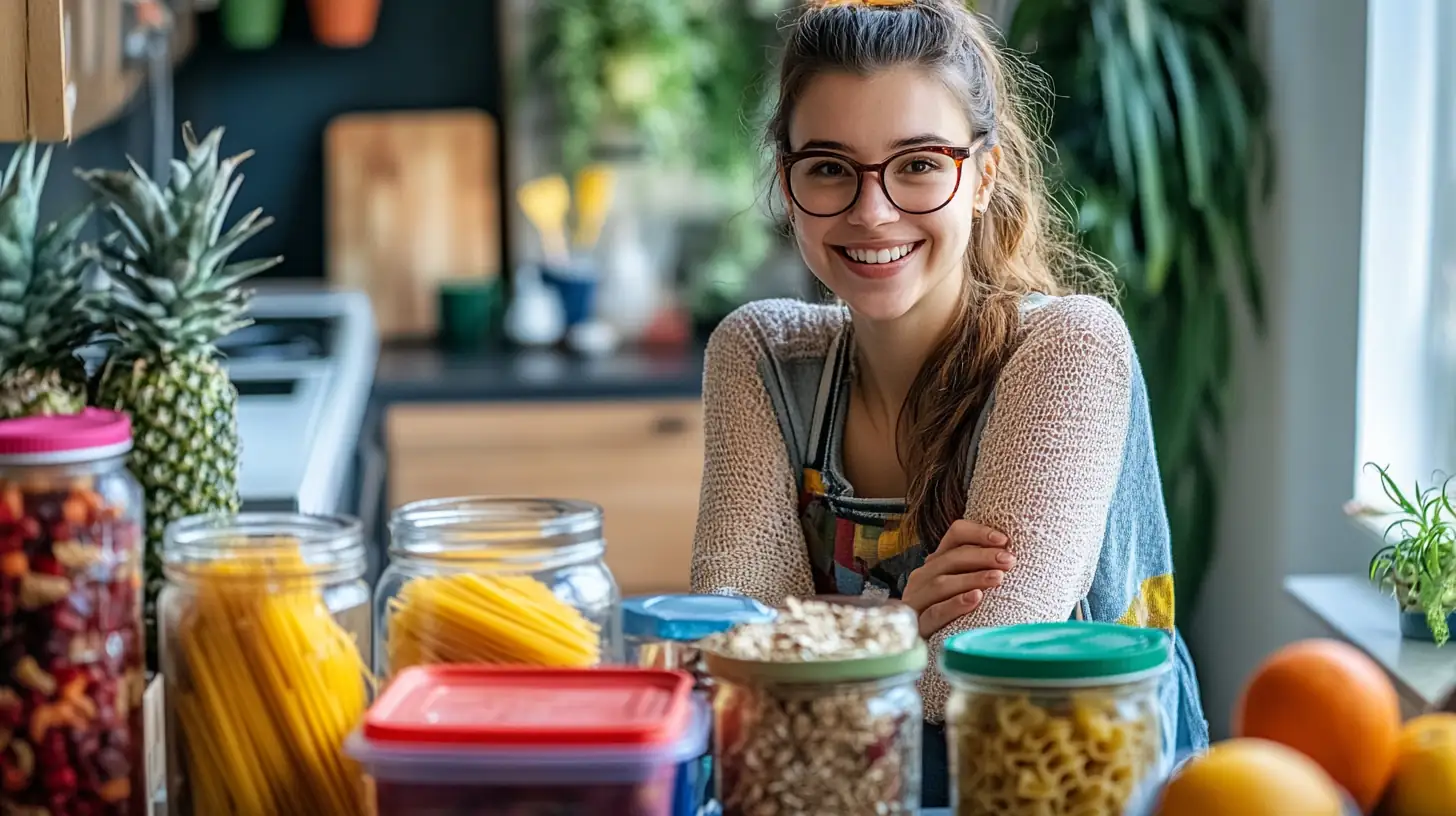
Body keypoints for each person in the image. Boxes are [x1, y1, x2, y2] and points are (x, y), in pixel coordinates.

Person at [689, 0, 1211, 805]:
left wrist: (817, 619)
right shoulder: (758, 355)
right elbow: (726, 661)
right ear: (787, 183)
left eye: (919, 164)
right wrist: (905, 620)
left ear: (982, 176)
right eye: (828, 166)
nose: (872, 211)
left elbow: (988, 683)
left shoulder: (1069, 348)